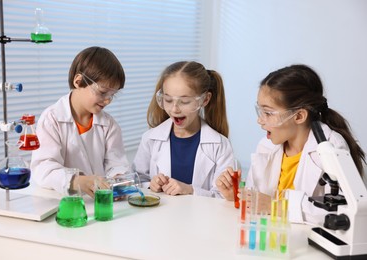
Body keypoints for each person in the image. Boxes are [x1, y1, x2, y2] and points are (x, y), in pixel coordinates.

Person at [216, 64, 365, 224]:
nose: (260, 120)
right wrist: (238, 195)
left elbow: (346, 211)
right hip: (271, 238)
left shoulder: (330, 147)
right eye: (260, 111)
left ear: (299, 116)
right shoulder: (267, 145)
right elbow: (258, 201)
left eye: (268, 113)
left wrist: (275, 207)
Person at [31, 46, 129, 198]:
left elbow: (116, 164)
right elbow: (44, 167)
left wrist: (119, 178)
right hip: (63, 201)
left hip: (99, 201)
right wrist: (76, 181)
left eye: (113, 94)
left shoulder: (109, 125)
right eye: (103, 92)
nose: (108, 100)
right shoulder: (52, 119)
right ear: (78, 81)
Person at [132, 61, 235, 197]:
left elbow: (224, 197)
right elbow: (136, 181)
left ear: (204, 100)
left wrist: (191, 190)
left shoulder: (220, 145)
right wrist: (151, 184)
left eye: (185, 101)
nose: (175, 109)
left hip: (202, 218)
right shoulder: (150, 139)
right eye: (168, 100)